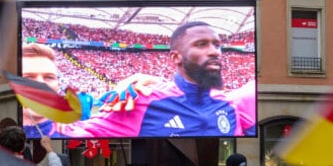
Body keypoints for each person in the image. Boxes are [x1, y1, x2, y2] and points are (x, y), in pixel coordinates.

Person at [61, 21, 254, 137]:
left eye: (217, 45)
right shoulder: (141, 100)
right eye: (201, 44)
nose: (214, 52)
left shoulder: (233, 106)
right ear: (175, 57)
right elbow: (75, 133)